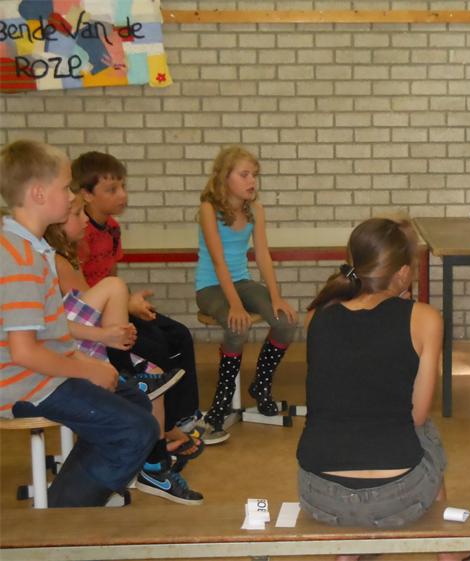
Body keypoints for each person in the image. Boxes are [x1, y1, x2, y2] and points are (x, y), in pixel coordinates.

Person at [296, 218, 470, 561]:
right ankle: (447, 554)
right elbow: (417, 414)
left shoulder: (317, 315)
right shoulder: (424, 318)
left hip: (319, 496)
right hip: (397, 499)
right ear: (403, 274)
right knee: (426, 431)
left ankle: (349, 552)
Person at [0, 139, 159, 507]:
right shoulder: (19, 258)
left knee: (134, 401)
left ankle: (73, 492)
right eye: (65, 187)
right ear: (39, 194)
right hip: (24, 385)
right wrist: (87, 369)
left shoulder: (34, 249)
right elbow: (24, 352)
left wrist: (88, 362)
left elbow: (52, 328)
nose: (72, 196)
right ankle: (62, 514)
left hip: (45, 374)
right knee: (136, 429)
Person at [44, 194, 204, 504]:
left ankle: (155, 466)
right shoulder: (53, 260)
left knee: (154, 375)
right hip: (66, 350)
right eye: (77, 214)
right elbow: (58, 322)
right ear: (57, 225)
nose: (85, 220)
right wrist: (107, 333)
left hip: (80, 340)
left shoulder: (64, 255)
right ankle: (128, 372)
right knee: (117, 290)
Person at [72, 151, 204, 444]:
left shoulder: (112, 228)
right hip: (94, 319)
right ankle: (161, 425)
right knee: (155, 345)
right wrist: (126, 304)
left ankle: (185, 415)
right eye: (111, 189)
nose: (122, 195)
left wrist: (132, 302)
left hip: (116, 306)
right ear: (87, 195)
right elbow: (83, 298)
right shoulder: (79, 232)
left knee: (179, 335)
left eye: (123, 186)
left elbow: (113, 274)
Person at [195, 146, 297, 443]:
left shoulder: (255, 210)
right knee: (236, 324)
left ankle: (261, 385)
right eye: (244, 175)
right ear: (224, 178)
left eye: (254, 175)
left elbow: (262, 255)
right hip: (211, 286)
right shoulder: (208, 209)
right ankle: (222, 400)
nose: (252, 181)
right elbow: (218, 262)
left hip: (241, 281)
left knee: (285, 321)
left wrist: (275, 297)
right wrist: (235, 305)